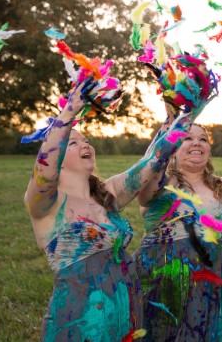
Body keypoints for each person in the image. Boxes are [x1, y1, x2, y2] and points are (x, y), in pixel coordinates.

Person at [24, 81, 196, 341]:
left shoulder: (107, 193)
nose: (86, 145)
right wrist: (68, 113)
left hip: (125, 312)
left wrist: (187, 111)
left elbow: (154, 160)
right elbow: (45, 170)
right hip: (79, 320)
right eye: (73, 143)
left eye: (87, 141)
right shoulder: (45, 201)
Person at [134, 111, 222, 340]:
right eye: (187, 138)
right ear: (173, 146)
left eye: (203, 139)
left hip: (211, 288)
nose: (196, 142)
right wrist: (173, 117)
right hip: (165, 285)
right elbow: (149, 169)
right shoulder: (163, 182)